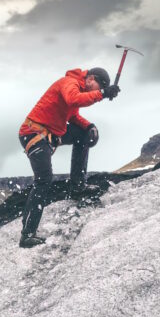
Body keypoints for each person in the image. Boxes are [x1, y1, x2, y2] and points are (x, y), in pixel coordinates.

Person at [17, 66, 120, 248]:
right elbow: (73, 99)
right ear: (90, 79)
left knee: (83, 134)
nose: (96, 90)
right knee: (44, 180)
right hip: (34, 134)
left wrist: (90, 127)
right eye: (97, 86)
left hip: (50, 134)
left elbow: (72, 116)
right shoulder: (69, 83)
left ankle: (77, 186)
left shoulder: (78, 88)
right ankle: (27, 235)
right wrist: (103, 94)